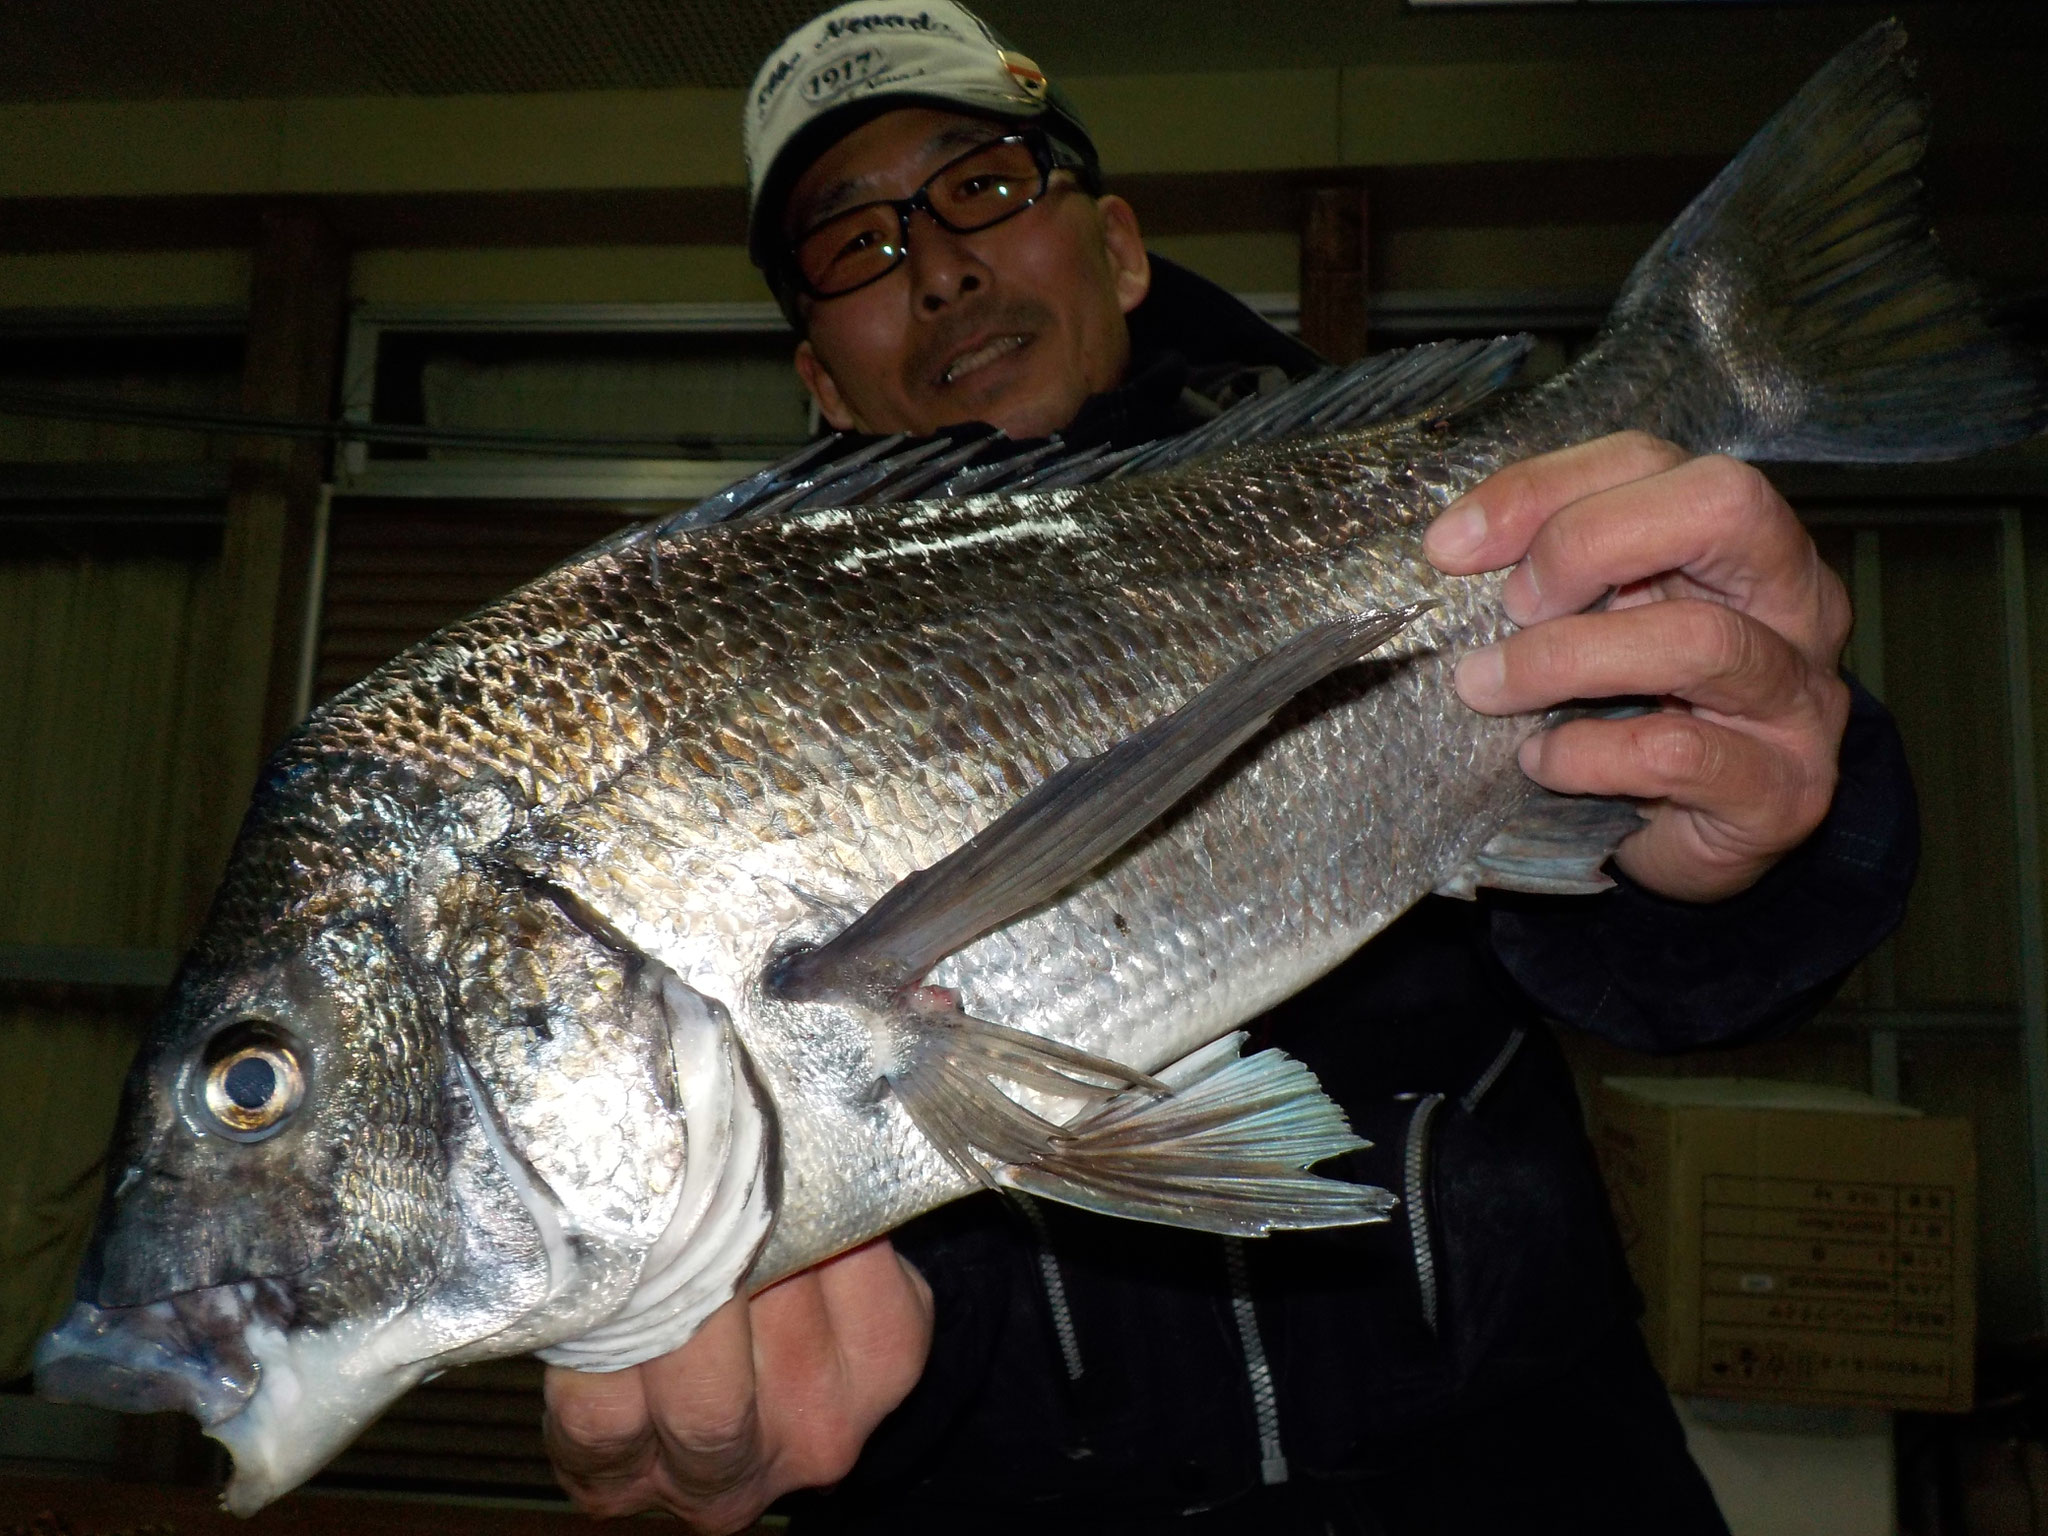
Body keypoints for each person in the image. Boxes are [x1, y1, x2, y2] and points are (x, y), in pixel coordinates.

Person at [541, 6, 1916, 1532]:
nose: (935, 267)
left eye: (982, 184)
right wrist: (906, 1372)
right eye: (852, 246)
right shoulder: (732, 697)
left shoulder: (1449, 526)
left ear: (1120, 248)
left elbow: (1661, 957)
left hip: (1530, 1475)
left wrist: (1780, 814)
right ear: (819, 380)